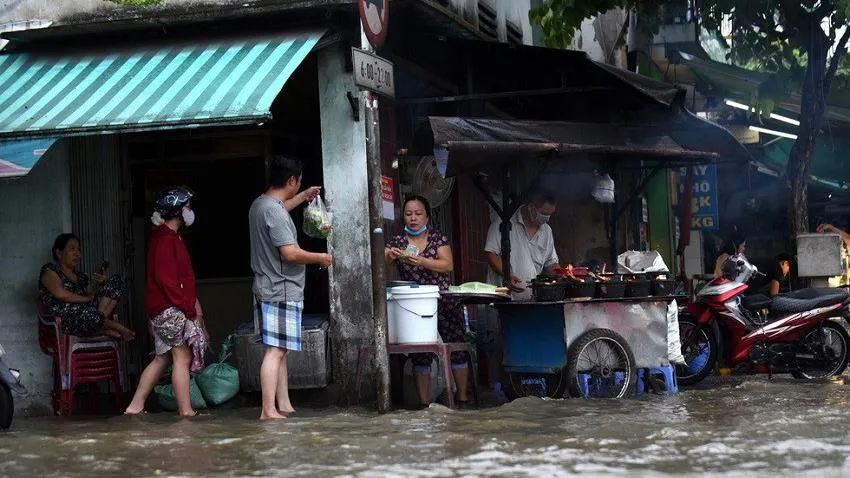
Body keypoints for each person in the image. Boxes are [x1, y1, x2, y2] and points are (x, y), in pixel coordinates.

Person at [249, 156, 331, 421]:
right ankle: (268, 410)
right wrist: (321, 258)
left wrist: (304, 196)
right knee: (276, 351)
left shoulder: (260, 205)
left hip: (266, 286)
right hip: (280, 288)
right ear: (291, 180)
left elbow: (281, 207)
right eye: (300, 182)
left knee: (278, 348)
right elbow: (290, 254)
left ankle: (283, 404)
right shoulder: (273, 211)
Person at [124, 186, 207, 417]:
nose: (190, 211)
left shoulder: (167, 238)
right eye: (187, 207)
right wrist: (187, 308)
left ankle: (135, 406)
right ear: (177, 211)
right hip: (170, 308)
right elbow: (167, 281)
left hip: (164, 307)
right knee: (182, 357)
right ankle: (186, 411)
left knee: (163, 358)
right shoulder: (166, 241)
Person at [385, 195, 470, 409]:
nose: (413, 218)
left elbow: (448, 265)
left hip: (443, 300)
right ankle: (424, 404)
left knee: (456, 347)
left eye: (418, 213)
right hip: (414, 304)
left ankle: (462, 398)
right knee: (420, 353)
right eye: (408, 214)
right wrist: (390, 254)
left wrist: (423, 261)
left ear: (427, 216)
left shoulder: (438, 239)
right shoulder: (398, 241)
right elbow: (383, 256)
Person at [39, 234, 134, 341]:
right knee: (90, 314)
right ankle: (114, 327)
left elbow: (93, 296)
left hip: (88, 317)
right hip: (66, 320)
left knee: (117, 280)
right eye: (72, 249)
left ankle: (99, 324)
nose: (77, 253)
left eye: (78, 250)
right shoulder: (50, 270)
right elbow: (60, 294)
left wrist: (103, 284)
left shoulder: (82, 277)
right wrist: (88, 299)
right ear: (59, 253)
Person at [484, 191, 559, 300]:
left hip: (531, 301)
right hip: (502, 300)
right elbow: (491, 253)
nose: (547, 218)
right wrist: (507, 275)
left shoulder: (546, 231)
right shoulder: (504, 223)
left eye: (549, 215)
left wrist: (564, 275)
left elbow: (551, 263)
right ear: (531, 207)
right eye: (544, 214)